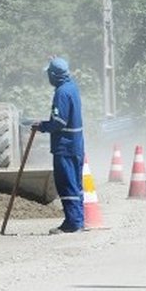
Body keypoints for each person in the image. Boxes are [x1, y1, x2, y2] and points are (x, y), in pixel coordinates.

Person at [32, 57, 85, 234]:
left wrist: (42, 126)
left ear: (54, 75)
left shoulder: (62, 92)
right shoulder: (72, 88)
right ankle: (78, 220)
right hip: (76, 145)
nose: (48, 76)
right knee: (76, 184)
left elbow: (59, 121)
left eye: (49, 73)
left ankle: (73, 223)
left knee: (67, 184)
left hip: (65, 146)